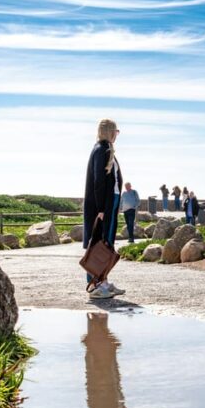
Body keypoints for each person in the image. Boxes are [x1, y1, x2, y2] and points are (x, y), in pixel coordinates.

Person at [83, 118, 126, 300]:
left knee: (106, 244)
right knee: (98, 244)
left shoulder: (106, 149)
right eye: (116, 131)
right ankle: (95, 286)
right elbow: (98, 182)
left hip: (111, 202)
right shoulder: (101, 149)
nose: (117, 135)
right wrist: (101, 208)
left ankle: (104, 282)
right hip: (103, 205)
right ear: (110, 131)